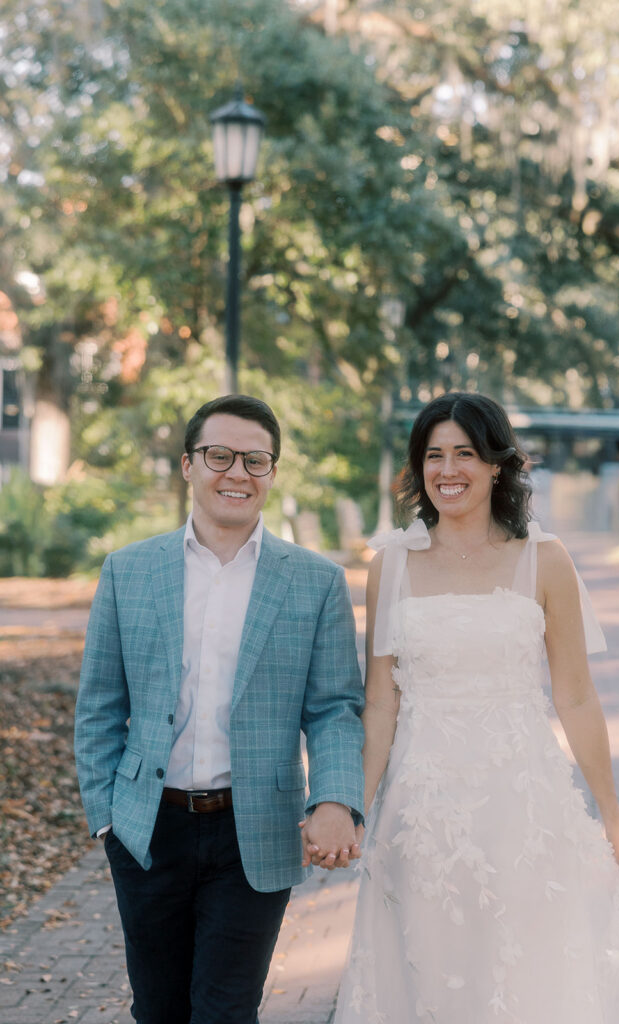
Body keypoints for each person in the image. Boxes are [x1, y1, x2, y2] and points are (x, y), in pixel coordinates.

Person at [334, 392, 619, 1023]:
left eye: (465, 453)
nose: (448, 470)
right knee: (433, 980)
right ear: (417, 469)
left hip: (524, 808)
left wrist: (614, 819)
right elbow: (380, 704)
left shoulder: (544, 558)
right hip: (421, 814)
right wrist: (352, 809)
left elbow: (576, 696)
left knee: (526, 979)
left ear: (497, 465)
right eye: (434, 456)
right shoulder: (391, 565)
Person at [74, 394, 365, 1024]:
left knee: (225, 1010)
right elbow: (99, 703)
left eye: (255, 460)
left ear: (272, 473)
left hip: (254, 830)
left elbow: (336, 708)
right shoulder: (129, 571)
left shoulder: (315, 582)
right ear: (188, 465)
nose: (237, 473)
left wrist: (335, 799)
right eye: (220, 456)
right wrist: (107, 818)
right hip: (147, 829)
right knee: (156, 1009)